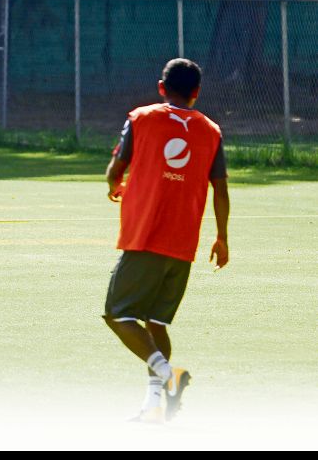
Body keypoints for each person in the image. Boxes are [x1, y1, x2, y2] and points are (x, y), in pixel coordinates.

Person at [103, 58, 230, 423]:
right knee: (156, 324)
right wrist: (222, 237)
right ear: (197, 92)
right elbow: (220, 189)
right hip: (183, 246)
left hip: (146, 238)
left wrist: (115, 186)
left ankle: (167, 373)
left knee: (118, 314)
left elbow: (115, 171)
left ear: (162, 87)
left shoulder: (141, 118)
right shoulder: (211, 130)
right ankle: (155, 406)